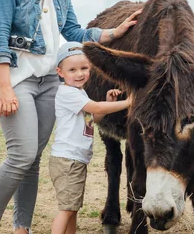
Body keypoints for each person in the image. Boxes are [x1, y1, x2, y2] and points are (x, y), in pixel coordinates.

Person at [0, 0, 143, 234]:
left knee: (33, 158)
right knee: (21, 155)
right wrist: (5, 86)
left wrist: (113, 31)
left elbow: (74, 31)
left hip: (49, 79)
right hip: (15, 76)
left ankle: (21, 227)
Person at [49, 41, 132, 234]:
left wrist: (108, 101)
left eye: (84, 68)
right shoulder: (68, 93)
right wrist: (127, 102)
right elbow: (95, 108)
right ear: (60, 72)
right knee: (66, 210)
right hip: (67, 161)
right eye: (72, 70)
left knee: (72, 209)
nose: (79, 74)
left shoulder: (79, 92)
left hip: (75, 160)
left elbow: (93, 117)